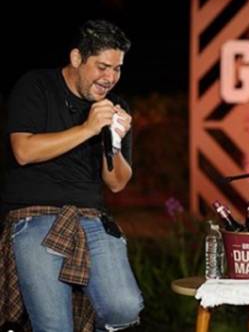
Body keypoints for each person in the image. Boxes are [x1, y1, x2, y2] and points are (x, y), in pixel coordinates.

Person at [0, 20, 143, 332]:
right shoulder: (36, 85)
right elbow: (23, 150)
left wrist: (113, 141)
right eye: (102, 67)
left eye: (117, 69)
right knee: (54, 325)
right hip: (33, 214)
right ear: (77, 58)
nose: (110, 78)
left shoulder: (115, 106)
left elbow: (117, 182)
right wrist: (88, 129)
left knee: (124, 308)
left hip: (90, 216)